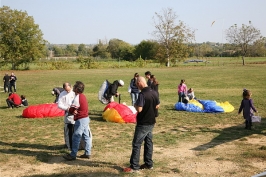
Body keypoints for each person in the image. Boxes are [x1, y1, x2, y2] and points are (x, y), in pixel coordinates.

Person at [124, 76, 160, 173]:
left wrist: (135, 105)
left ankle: (134, 166)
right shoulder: (154, 92)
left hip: (143, 123)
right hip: (151, 122)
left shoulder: (142, 94)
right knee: (148, 143)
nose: (136, 86)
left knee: (137, 144)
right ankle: (148, 163)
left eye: (136, 84)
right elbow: (157, 105)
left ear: (140, 83)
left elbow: (139, 109)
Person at [63, 81, 92, 161]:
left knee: (76, 136)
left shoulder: (77, 97)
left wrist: (71, 111)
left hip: (81, 119)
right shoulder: (83, 96)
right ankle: (87, 153)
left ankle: (73, 155)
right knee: (86, 136)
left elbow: (72, 109)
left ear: (76, 89)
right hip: (86, 118)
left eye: (74, 86)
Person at [58, 83, 76, 150]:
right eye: (66, 90)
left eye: (68, 90)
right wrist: (66, 108)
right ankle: (68, 145)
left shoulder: (74, 93)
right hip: (67, 114)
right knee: (68, 129)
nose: (67, 91)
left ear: (70, 87)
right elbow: (59, 104)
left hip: (75, 113)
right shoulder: (62, 94)